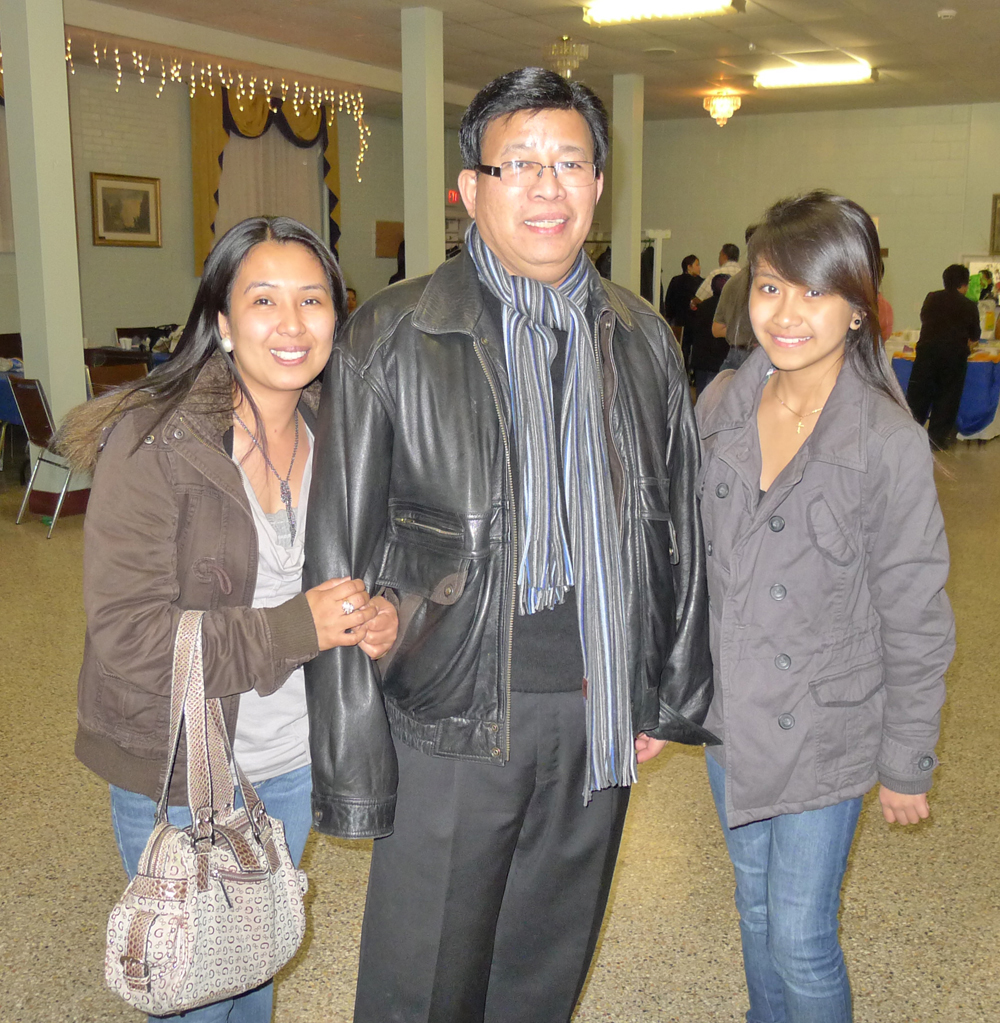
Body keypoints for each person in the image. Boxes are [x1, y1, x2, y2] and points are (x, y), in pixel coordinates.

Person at [304, 67, 716, 1023]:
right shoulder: (395, 333)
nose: (546, 187)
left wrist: (665, 687)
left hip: (597, 709)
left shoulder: (643, 338)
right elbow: (337, 555)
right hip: (448, 714)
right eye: (518, 163)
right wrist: (354, 755)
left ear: (599, 183)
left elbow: (677, 528)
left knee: (543, 970)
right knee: (423, 981)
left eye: (569, 163)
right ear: (470, 187)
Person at [58, 216, 398, 1023]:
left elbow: (377, 559)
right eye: (264, 300)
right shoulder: (154, 439)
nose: (292, 323)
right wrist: (297, 628)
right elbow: (130, 634)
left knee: (255, 965)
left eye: (312, 299)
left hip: (293, 757)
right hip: (179, 764)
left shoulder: (340, 429)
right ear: (222, 322)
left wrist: (382, 612)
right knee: (196, 993)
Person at [696, 190, 954, 1023]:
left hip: (825, 726)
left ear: (858, 308)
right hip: (732, 718)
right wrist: (663, 697)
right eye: (771, 287)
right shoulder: (721, 406)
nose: (787, 313)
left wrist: (906, 757)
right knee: (754, 908)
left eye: (815, 291)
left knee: (801, 935)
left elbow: (915, 613)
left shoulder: (886, 440)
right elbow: (688, 569)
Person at [905, 263, 981, 449]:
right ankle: (936, 440)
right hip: (953, 356)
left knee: (918, 395)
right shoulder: (969, 305)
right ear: (964, 285)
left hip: (927, 352)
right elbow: (975, 336)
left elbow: (924, 318)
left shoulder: (931, 298)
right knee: (947, 397)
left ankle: (909, 434)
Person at [713, 225, 758, 372]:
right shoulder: (770, 283)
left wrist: (737, 333)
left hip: (733, 356)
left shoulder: (732, 282)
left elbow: (716, 328)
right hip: (757, 356)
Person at [689, 272, 730, 395]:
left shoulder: (702, 306)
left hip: (701, 359)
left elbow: (694, 330)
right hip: (720, 361)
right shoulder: (729, 308)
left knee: (701, 397)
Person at [663, 253, 703, 364]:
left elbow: (669, 301)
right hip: (696, 322)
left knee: (680, 351)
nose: (699, 268)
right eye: (697, 265)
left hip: (678, 322)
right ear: (689, 267)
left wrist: (669, 317)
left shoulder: (675, 281)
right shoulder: (701, 283)